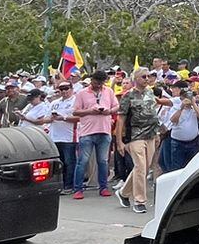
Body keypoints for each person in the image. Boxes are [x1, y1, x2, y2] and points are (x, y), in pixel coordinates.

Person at [118, 71, 160, 215]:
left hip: (151, 135)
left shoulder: (150, 92)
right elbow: (121, 119)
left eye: (148, 76)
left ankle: (124, 192)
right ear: (135, 79)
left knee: (143, 168)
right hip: (135, 136)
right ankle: (139, 201)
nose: (147, 79)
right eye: (143, 76)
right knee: (140, 167)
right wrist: (119, 141)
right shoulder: (127, 96)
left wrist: (157, 133)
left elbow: (154, 111)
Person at [71, 70, 117, 200]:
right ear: (92, 80)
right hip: (87, 132)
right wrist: (90, 111)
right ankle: (78, 188)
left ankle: (103, 187)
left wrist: (109, 111)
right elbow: (75, 112)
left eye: (101, 83)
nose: (99, 85)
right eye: (97, 82)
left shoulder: (108, 91)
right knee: (82, 161)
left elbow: (116, 106)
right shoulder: (82, 93)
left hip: (104, 130)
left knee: (103, 161)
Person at [162, 84, 199, 173]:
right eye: (185, 97)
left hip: (193, 142)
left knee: (192, 167)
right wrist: (181, 108)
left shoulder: (197, 107)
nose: (187, 99)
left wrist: (193, 104)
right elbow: (173, 120)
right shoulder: (176, 107)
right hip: (178, 143)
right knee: (177, 168)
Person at [48, 81, 79, 194]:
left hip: (69, 136)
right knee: (59, 163)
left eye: (66, 88)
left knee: (69, 162)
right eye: (61, 89)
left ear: (71, 88)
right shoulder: (54, 103)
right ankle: (60, 184)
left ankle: (69, 185)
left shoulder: (76, 101)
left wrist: (64, 118)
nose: (64, 91)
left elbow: (79, 118)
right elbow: (47, 118)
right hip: (55, 136)